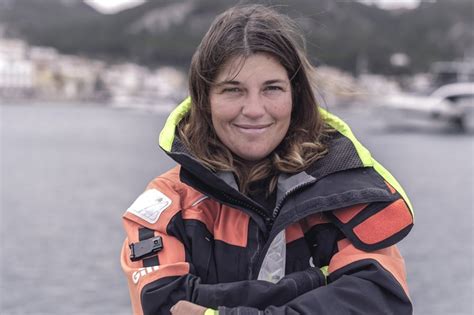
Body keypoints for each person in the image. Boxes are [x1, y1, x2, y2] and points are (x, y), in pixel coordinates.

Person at [120, 4, 414, 315]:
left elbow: (382, 299)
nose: (255, 110)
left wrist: (215, 307)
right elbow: (162, 305)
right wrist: (317, 282)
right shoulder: (165, 205)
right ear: (205, 100)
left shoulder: (344, 193)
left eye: (271, 88)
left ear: (295, 96)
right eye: (233, 90)